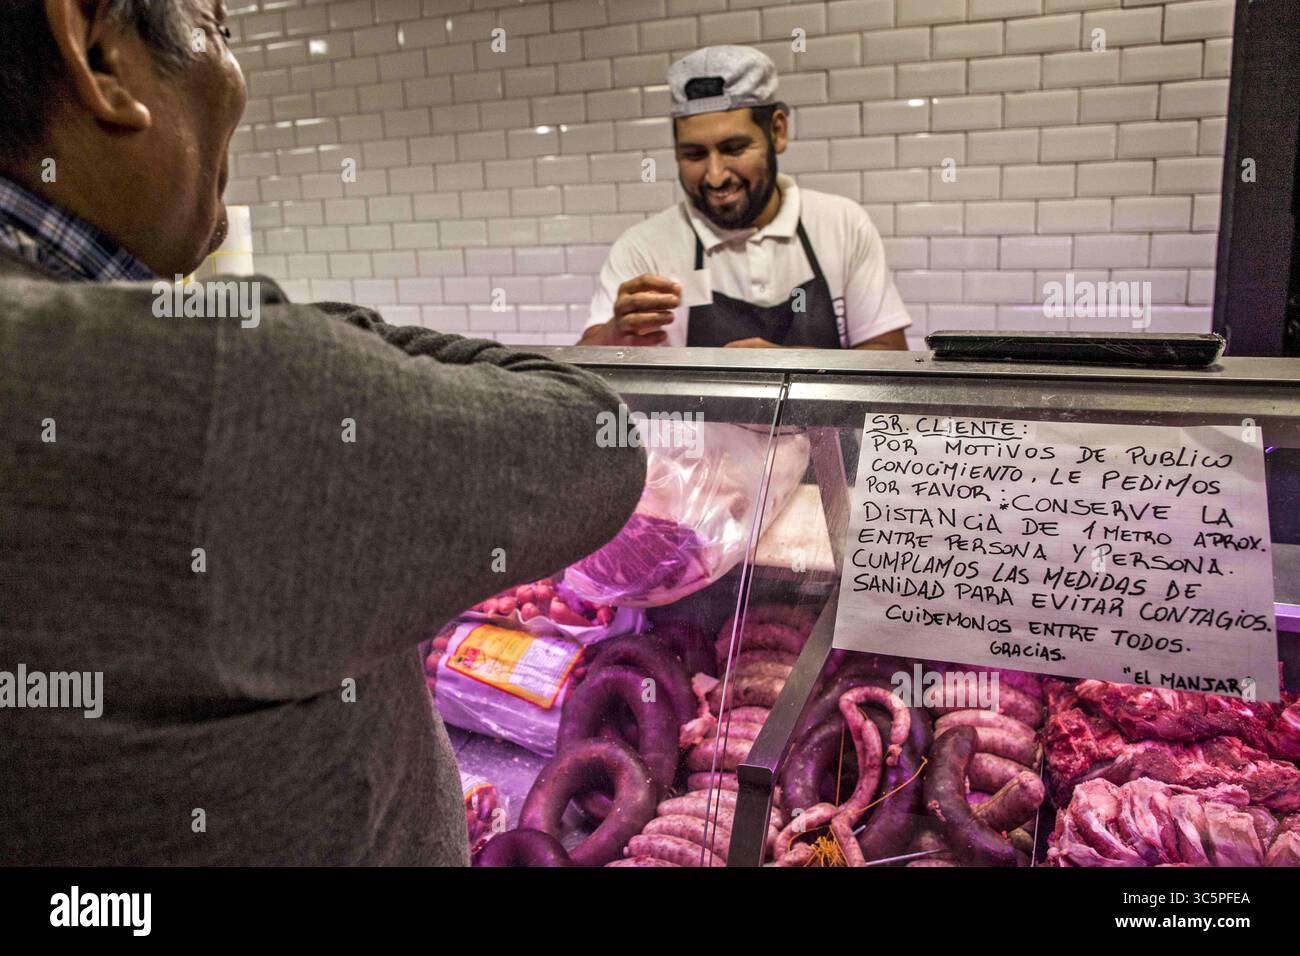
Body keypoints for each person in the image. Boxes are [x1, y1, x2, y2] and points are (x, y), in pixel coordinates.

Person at [0, 0, 645, 865]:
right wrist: (275, 332)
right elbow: (593, 436)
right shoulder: (217, 387)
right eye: (216, 24)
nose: (234, 73)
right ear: (94, 49)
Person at [580, 46, 912, 351]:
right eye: (694, 154)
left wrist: (791, 369)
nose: (715, 176)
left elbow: (888, 355)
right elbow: (581, 372)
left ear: (778, 131)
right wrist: (616, 334)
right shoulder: (645, 248)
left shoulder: (842, 225)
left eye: (734, 148)